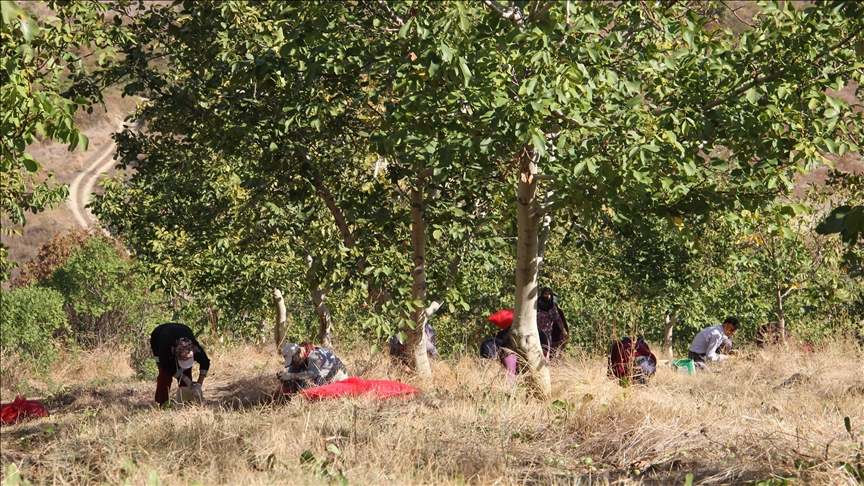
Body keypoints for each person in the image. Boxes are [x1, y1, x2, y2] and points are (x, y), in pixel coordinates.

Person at [150, 323, 210, 405]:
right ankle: (162, 403)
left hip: (183, 330)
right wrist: (183, 377)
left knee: (186, 372)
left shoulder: (196, 348)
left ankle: (186, 402)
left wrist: (199, 384)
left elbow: (205, 363)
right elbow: (166, 365)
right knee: (164, 375)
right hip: (159, 337)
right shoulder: (165, 349)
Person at [275, 342, 349, 395]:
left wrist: (289, 376)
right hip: (323, 377)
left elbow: (312, 374)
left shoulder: (314, 355)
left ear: (299, 353)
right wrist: (285, 379)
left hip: (338, 377)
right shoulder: (299, 358)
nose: (293, 364)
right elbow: (291, 376)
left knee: (303, 385)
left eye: (293, 361)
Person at [537, 287, 569, 359]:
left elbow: (558, 320)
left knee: (546, 354)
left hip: (547, 335)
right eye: (545, 294)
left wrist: (564, 332)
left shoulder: (552, 307)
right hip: (535, 334)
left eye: (549, 294)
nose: (547, 296)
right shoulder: (536, 305)